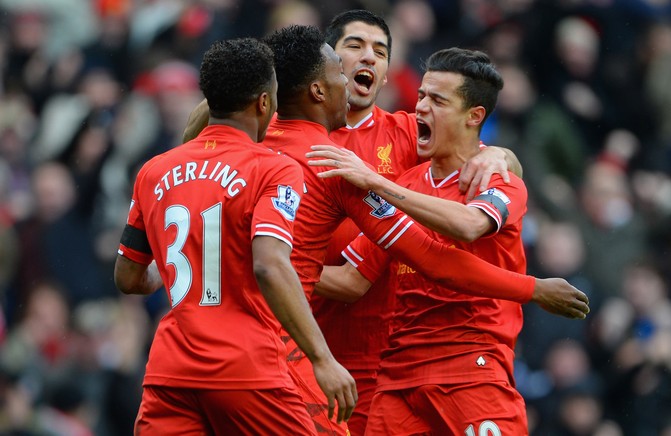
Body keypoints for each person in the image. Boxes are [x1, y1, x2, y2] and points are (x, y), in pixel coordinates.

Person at [183, 24, 589, 435]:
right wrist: (274, 269)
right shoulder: (273, 137)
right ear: (321, 74)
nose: (367, 59)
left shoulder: (406, 143)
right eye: (353, 48)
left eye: (380, 50)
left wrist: (501, 155)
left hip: (412, 364)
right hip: (321, 358)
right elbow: (203, 138)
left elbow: (468, 200)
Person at [307, 47, 580, 435]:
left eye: (437, 100)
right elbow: (353, 280)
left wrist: (375, 181)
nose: (420, 108)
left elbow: (469, 225)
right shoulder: (407, 185)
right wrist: (277, 266)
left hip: (471, 369)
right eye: (420, 96)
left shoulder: (498, 180)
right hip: (398, 380)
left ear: (474, 117)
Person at [112, 37, 356, 435]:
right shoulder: (273, 169)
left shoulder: (154, 171)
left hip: (169, 372)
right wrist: (322, 359)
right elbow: (269, 264)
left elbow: (129, 277)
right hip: (244, 369)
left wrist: (186, 266)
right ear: (264, 103)